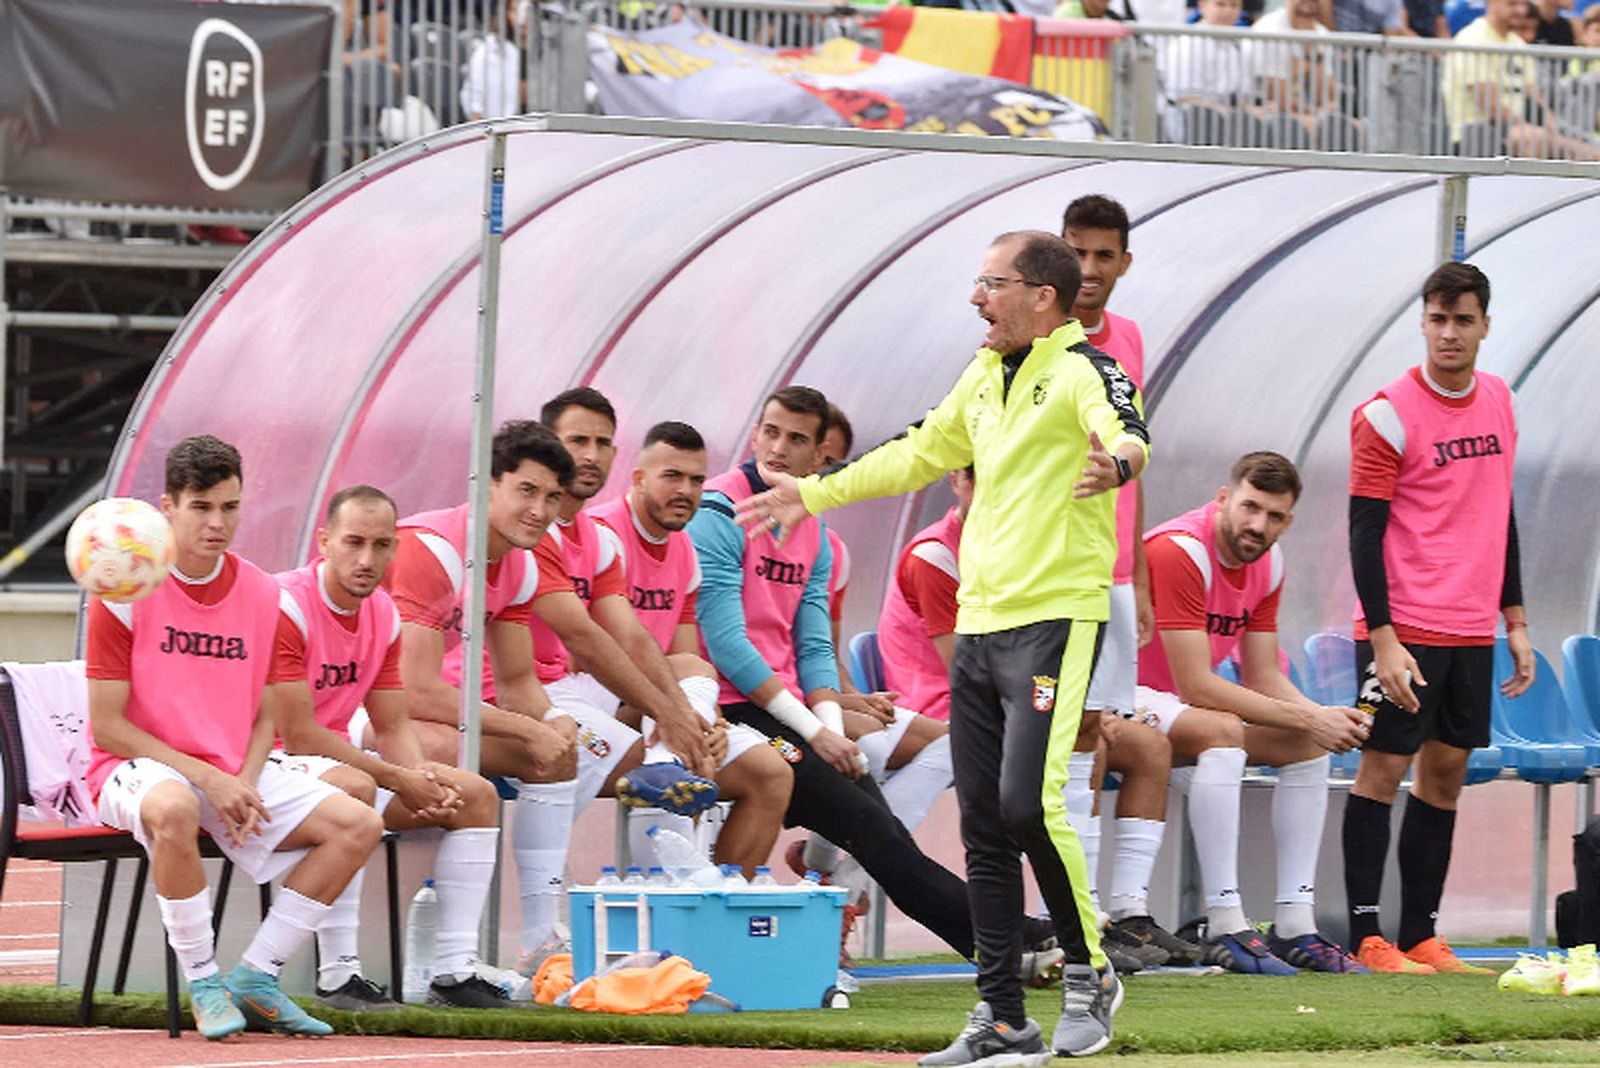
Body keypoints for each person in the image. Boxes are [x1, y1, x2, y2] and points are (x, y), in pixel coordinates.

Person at [737, 233, 1150, 1061]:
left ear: (1040, 294)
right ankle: (1001, 1016)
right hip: (982, 626)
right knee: (984, 827)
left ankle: (1090, 969)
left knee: (1029, 802)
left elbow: (1127, 426)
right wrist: (811, 492)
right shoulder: (981, 375)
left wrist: (1123, 464)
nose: (975, 298)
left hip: (1051, 623)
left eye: (990, 283)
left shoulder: (1083, 369)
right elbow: (918, 453)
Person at [691, 386, 1062, 996]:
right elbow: (729, 646)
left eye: (798, 440)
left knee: (882, 834)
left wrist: (832, 732)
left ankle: (1006, 945)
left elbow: (813, 648)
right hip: (735, 713)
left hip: (787, 717)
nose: (780, 449)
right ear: (756, 433)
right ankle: (1011, 939)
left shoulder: (811, 531)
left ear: (821, 458)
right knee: (877, 831)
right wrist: (817, 733)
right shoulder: (719, 513)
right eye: (771, 432)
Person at [86, 435, 384, 1039]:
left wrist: (243, 782)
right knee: (171, 808)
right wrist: (211, 779)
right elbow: (109, 726)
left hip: (232, 766)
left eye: (230, 506)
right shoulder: (122, 588)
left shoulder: (264, 593)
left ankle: (257, 977)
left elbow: (265, 710)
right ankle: (204, 982)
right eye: (201, 507)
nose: (218, 522)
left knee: (361, 822)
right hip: (136, 765)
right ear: (167, 507)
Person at [1340, 261, 1533, 975]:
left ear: (1485, 324)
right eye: (1437, 319)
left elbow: (1499, 512)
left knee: (1446, 774)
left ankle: (1421, 935)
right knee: (1383, 770)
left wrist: (1514, 618)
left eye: (1463, 320)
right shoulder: (1385, 413)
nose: (1449, 333)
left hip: (1472, 627)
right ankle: (1368, 938)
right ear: (1423, 322)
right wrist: (1382, 639)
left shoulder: (1500, 401)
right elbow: (1363, 532)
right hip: (1404, 625)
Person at [532, 392, 788, 877]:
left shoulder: (603, 538)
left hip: (624, 698)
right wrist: (671, 714)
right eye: (577, 441)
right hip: (548, 699)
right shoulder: (535, 529)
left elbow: (647, 643)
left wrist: (700, 719)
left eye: (602, 442)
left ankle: (711, 917)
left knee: (772, 771)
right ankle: (669, 907)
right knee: (660, 759)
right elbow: (587, 641)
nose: (589, 454)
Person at [272, 485, 507, 1009]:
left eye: (381, 545)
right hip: (265, 766)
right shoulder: (287, 603)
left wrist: (420, 775)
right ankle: (338, 975)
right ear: (324, 541)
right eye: (353, 542)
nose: (366, 558)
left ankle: (455, 971)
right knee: (355, 789)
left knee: (475, 796)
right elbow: (300, 733)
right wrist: (398, 778)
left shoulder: (381, 613)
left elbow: (391, 722)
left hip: (324, 767)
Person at [1138, 452, 1368, 975]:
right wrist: (1311, 718)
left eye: (1275, 516)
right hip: (1123, 700)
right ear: (1224, 499)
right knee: (1224, 733)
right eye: (1250, 507)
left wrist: (1327, 718)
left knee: (1311, 745)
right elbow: (1196, 683)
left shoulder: (1270, 561)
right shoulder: (1180, 551)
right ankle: (1226, 921)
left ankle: (1294, 925)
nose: (1259, 525)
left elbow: (1262, 672)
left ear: (1289, 520)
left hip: (1184, 715)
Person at [385, 420, 584, 974]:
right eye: (526, 490)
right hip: (346, 716)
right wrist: (526, 728)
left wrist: (555, 717)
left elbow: (519, 681)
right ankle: (444, 956)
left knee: (561, 751)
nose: (540, 510)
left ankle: (543, 937)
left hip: (398, 717)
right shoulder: (431, 549)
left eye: (551, 498)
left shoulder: (518, 561)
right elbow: (414, 689)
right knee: (457, 758)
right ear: (486, 485)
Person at [1060, 196, 1197, 971]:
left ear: (1124, 263)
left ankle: (1107, 921)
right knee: (1062, 732)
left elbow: (1133, 460)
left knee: (1099, 731)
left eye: (1103, 255)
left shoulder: (1133, 341)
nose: (1089, 269)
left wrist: (1139, 576)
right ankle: (1068, 912)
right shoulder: (1038, 336)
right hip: (1053, 572)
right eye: (1076, 252)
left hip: (1110, 572)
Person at [797, 403, 957, 963]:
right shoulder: (937, 553)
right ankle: (833, 884)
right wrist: (833, 707)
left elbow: (822, 648)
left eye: (833, 463)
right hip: (757, 708)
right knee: (871, 744)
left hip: (816, 701)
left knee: (932, 744)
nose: (823, 473)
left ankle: (831, 875)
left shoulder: (828, 548)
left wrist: (847, 695)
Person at [1445, 0, 1600, 158]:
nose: (1520, 10)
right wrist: (1547, 135)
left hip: (1516, 130)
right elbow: (1492, 107)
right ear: (1490, 3)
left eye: (1523, 4)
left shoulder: (1516, 43)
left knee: (1578, 142)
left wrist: (1555, 130)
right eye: (1512, 4)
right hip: (1478, 132)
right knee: (1534, 138)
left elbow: (1537, 99)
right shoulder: (1474, 40)